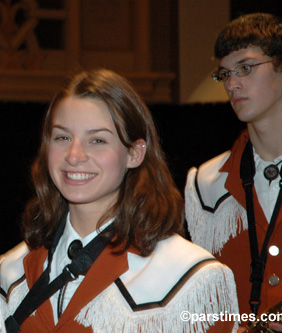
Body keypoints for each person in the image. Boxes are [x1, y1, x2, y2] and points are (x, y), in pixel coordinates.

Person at [0, 69, 238, 332]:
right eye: (62, 137)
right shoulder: (10, 272)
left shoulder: (191, 278)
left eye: (97, 140)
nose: (74, 155)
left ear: (134, 153)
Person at [185, 12, 282, 332]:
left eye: (246, 68)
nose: (232, 84)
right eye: (225, 74)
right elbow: (201, 302)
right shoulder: (205, 184)